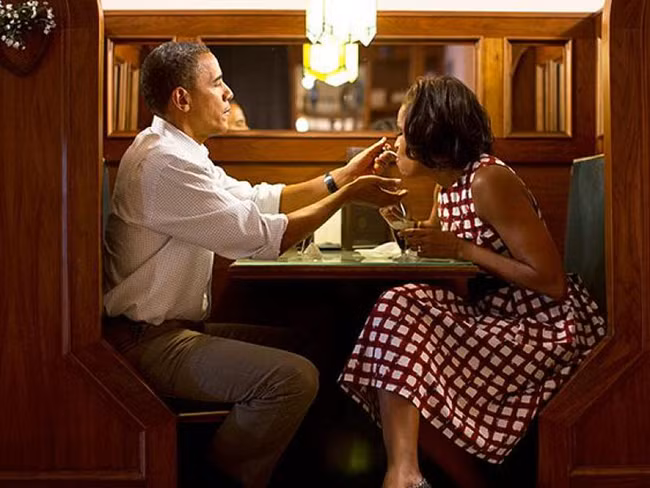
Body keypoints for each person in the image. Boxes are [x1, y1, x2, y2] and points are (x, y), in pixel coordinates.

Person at [103, 41, 405, 488]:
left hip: (172, 329)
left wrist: (343, 176)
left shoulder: (180, 152)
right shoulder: (163, 163)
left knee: (313, 345)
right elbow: (258, 238)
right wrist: (347, 196)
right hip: (146, 342)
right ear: (182, 98)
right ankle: (218, 480)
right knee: (294, 377)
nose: (229, 92)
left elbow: (258, 200)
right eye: (217, 83)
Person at [338, 75, 606, 488]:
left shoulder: (488, 180)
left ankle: (406, 475)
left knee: (397, 327)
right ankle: (407, 473)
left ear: (431, 134)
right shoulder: (446, 189)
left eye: (403, 131)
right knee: (395, 327)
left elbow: (551, 282)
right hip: (491, 316)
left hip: (543, 327)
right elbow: (436, 253)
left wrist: (461, 249)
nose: (394, 142)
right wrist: (392, 203)